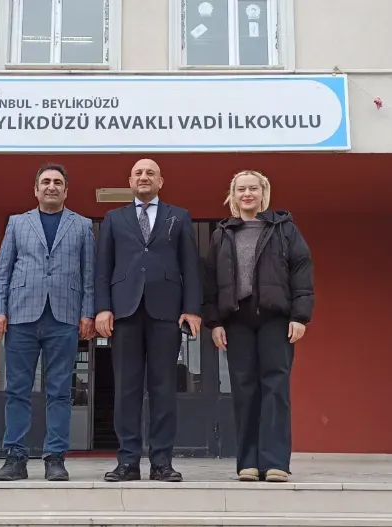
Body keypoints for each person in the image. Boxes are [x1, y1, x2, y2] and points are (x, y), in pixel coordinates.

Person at [94, 158, 202, 483]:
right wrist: (103, 308)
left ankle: (161, 463)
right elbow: (103, 268)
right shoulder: (114, 218)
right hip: (124, 312)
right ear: (130, 181)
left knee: (163, 389)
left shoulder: (179, 216)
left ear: (160, 181)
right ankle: (127, 462)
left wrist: (192, 308)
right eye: (138, 173)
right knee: (126, 389)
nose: (144, 177)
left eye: (150, 173)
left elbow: (190, 266)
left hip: (166, 312)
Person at [202, 170, 313, 483]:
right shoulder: (222, 233)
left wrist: (300, 316)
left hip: (275, 318)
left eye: (253, 188)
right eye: (241, 189)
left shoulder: (284, 229)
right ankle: (248, 463)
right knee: (244, 389)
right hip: (237, 320)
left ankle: (276, 462)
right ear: (233, 195)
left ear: (264, 193)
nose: (247, 194)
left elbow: (301, 271)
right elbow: (210, 281)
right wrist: (215, 322)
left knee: (275, 387)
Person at [0, 163, 96, 482]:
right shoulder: (17, 223)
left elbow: (89, 274)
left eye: (57, 182)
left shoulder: (82, 225)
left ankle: (55, 457)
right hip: (21, 315)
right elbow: (3, 270)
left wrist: (87, 313)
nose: (51, 186)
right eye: (45, 182)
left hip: (64, 316)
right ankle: (15, 456)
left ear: (66, 191)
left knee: (60, 390)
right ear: (36, 190)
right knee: (17, 390)